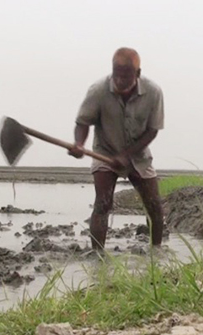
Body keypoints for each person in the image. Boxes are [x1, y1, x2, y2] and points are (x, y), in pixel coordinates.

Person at [69, 47, 164, 252]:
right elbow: (83, 122)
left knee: (155, 206)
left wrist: (126, 155)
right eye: (116, 75)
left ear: (137, 74)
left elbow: (152, 131)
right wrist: (79, 144)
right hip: (104, 152)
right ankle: (97, 255)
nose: (120, 81)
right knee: (102, 204)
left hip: (138, 155)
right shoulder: (98, 90)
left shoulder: (153, 93)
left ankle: (157, 252)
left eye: (126, 77)